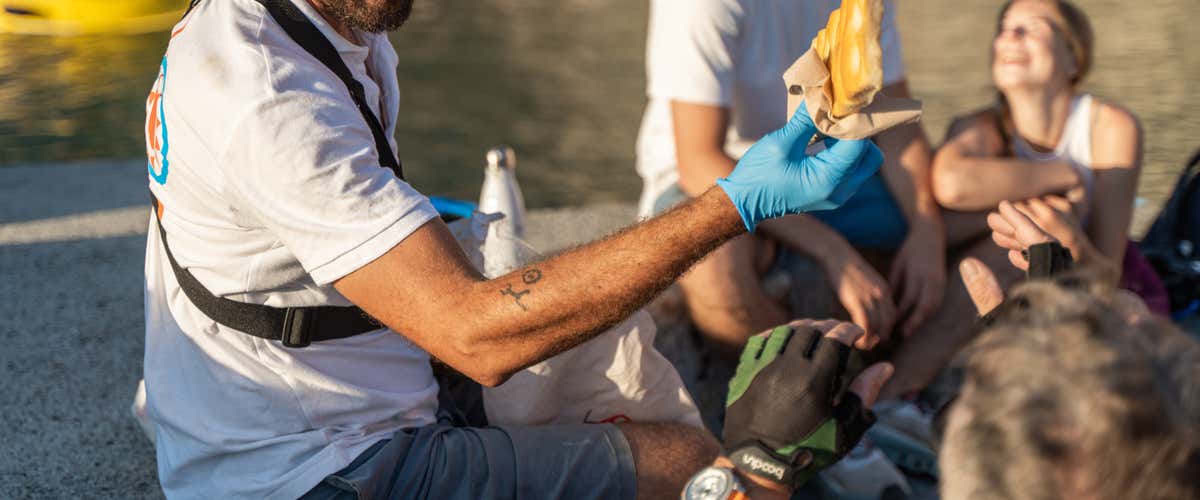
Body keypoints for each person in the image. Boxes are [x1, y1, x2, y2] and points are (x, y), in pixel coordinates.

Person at [139, 0, 883, 498]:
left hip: (309, 392)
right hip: (312, 465)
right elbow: (474, 336)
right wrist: (735, 203)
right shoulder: (270, 94)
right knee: (694, 466)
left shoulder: (307, 25)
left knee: (608, 376)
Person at [635, 0, 945, 358]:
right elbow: (697, 161)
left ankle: (900, 379)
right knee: (711, 264)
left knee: (974, 208)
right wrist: (835, 254)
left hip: (825, 170)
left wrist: (927, 229)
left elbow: (894, 123)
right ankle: (783, 380)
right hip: (722, 178)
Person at [882, 0, 1144, 398]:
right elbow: (950, 183)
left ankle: (897, 394)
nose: (1010, 37)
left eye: (1032, 27)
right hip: (979, 284)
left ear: (1073, 58)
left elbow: (1107, 274)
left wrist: (1066, 238)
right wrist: (1061, 178)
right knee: (994, 246)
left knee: (1006, 251)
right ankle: (906, 393)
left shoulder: (1109, 128)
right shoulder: (982, 126)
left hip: (1081, 288)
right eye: (1004, 28)